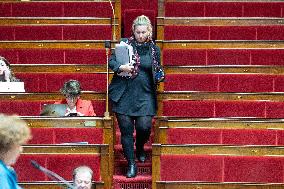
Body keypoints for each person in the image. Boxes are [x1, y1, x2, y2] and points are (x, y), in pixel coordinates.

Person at [108, 15, 165, 178]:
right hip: (124, 94)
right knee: (126, 131)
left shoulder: (154, 50)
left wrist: (161, 74)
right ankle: (131, 164)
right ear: (133, 31)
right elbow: (111, 62)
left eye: (143, 32)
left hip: (145, 95)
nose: (140, 35)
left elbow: (157, 68)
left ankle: (139, 146)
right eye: (137, 32)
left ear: (149, 32)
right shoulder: (124, 45)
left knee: (144, 127)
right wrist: (121, 67)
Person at [0, 114, 31, 189]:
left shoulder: (3, 169)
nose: (21, 150)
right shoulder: (1, 173)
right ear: (8, 145)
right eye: (19, 145)